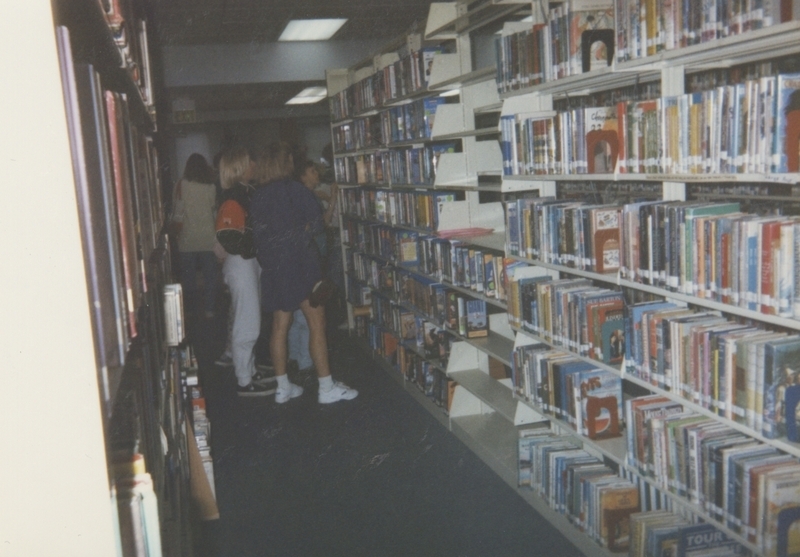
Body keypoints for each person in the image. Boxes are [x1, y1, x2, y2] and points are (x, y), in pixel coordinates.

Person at [250, 142, 357, 404]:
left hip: (274, 268)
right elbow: (318, 224)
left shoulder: (257, 196)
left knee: (279, 326)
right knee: (316, 323)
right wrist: (303, 233)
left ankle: (283, 387)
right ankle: (326, 387)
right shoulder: (295, 190)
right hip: (301, 264)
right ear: (282, 162)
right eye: (288, 159)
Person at [217, 147, 275, 396]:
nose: (254, 165)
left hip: (246, 262)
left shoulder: (244, 194)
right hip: (241, 262)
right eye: (250, 161)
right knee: (247, 322)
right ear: (240, 167)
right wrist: (254, 246)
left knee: (250, 319)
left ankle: (249, 370)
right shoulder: (234, 197)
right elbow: (227, 236)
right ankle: (244, 379)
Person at [170, 153, 220, 319]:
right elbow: (214, 213)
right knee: (210, 277)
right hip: (207, 238)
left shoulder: (180, 185)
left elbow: (177, 212)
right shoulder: (211, 187)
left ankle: (190, 311)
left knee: (188, 277)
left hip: (187, 239)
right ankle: (210, 309)